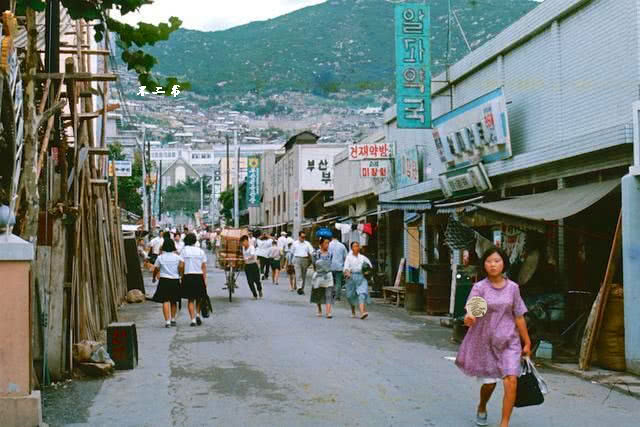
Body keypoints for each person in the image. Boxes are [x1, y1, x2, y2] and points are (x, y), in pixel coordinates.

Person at [455, 247, 531, 427]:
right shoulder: (479, 287)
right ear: (484, 265)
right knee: (489, 384)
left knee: (511, 379)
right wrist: (469, 317)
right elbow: (472, 310)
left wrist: (526, 342)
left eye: (497, 261)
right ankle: (482, 405)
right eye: (489, 261)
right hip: (485, 342)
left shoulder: (513, 288)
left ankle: (504, 423)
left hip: (509, 341)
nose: (493, 265)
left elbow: (519, 315)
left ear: (503, 263)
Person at [152, 239, 184, 327]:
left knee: (165, 301)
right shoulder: (178, 257)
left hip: (164, 280)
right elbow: (181, 267)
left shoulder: (160, 257)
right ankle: (173, 319)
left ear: (164, 246)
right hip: (175, 280)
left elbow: (156, 269)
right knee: (174, 300)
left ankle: (167, 322)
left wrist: (154, 277)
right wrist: (180, 275)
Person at [180, 233, 208, 327]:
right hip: (199, 276)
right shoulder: (200, 251)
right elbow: (204, 267)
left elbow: (181, 265)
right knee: (199, 298)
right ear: (195, 241)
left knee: (190, 299)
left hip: (188, 276)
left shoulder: (184, 251)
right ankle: (198, 314)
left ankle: (192, 320)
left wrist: (181, 274)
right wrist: (205, 279)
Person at [343, 241, 372, 319]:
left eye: (357, 246)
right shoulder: (348, 257)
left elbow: (369, 266)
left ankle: (362, 312)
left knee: (362, 293)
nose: (356, 247)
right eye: (354, 246)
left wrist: (367, 271)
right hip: (351, 277)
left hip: (361, 277)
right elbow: (346, 267)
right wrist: (347, 272)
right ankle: (353, 310)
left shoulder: (363, 257)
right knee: (350, 296)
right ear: (352, 248)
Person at [310, 237, 335, 318]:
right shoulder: (316, 254)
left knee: (329, 293)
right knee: (319, 293)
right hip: (319, 274)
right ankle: (319, 309)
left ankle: (328, 312)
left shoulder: (330, 254)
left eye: (328, 243)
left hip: (328, 274)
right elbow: (314, 263)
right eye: (326, 243)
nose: (327, 245)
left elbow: (331, 263)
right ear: (321, 244)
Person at [240, 235, 263, 299]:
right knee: (250, 281)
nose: (243, 244)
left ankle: (259, 290)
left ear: (246, 241)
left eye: (243, 242)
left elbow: (252, 256)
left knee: (257, 280)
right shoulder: (243, 247)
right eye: (242, 243)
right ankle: (255, 295)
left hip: (253, 265)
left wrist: (247, 259)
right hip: (247, 266)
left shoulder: (251, 247)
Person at [291, 231, 314, 295]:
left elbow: (311, 251)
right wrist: (290, 262)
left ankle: (302, 288)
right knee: (298, 274)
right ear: (299, 237)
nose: (303, 238)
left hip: (305, 259)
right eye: (302, 237)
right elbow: (292, 252)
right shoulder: (295, 243)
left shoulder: (307, 244)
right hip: (297, 259)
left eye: (304, 237)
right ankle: (299, 288)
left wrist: (312, 259)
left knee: (303, 275)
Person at [328, 235, 348, 301]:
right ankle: (337, 296)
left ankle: (331, 294)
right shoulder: (342, 246)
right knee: (338, 282)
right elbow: (346, 257)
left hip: (330, 266)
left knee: (331, 281)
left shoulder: (328, 245)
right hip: (339, 266)